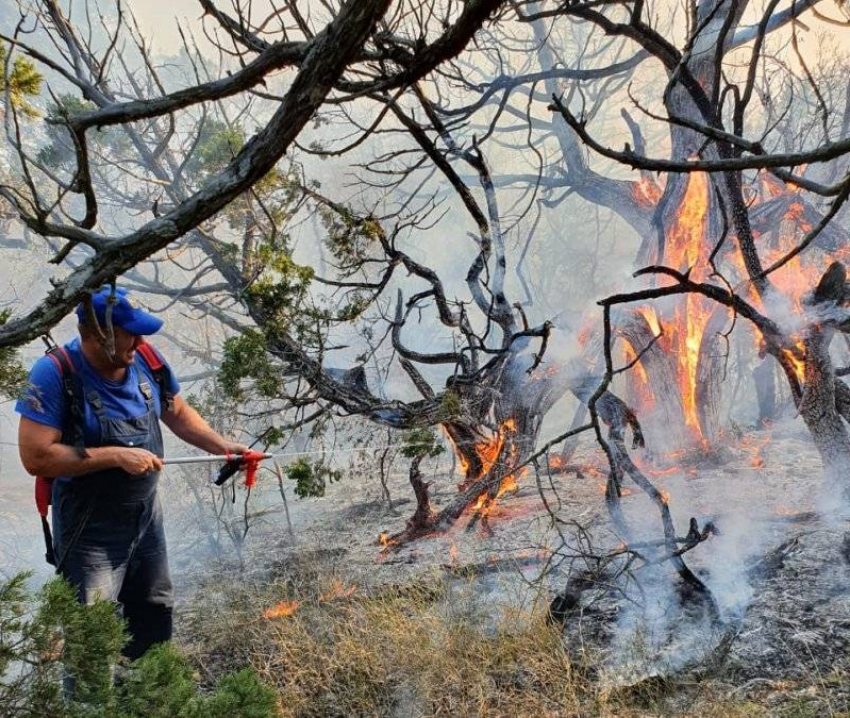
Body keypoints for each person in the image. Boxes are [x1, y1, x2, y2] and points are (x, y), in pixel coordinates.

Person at [15, 286, 248, 660]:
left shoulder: (146, 359)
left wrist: (221, 446)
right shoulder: (54, 373)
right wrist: (114, 456)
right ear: (97, 334)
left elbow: (175, 411)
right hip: (88, 529)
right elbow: (37, 458)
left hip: (144, 518)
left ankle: (147, 703)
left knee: (154, 608)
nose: (140, 341)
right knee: (93, 632)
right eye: (130, 333)